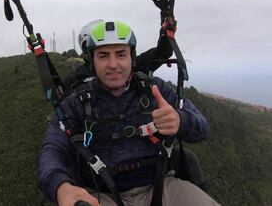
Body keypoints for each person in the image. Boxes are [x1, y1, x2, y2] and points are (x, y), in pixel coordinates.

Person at [38, 20, 220, 206]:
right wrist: (60, 186)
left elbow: (202, 127)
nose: (113, 64)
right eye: (103, 56)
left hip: (161, 185)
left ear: (132, 59)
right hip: (102, 194)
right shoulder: (76, 102)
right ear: (92, 61)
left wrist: (181, 121)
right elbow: (53, 149)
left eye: (120, 54)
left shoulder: (154, 90)